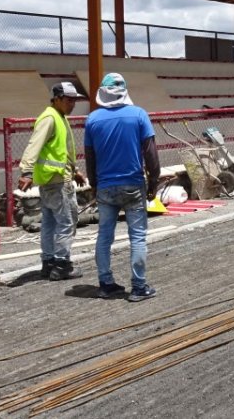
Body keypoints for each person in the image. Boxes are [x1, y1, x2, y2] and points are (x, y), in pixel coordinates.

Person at [84, 73, 161, 302]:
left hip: (105, 187)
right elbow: (151, 153)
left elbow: (90, 157)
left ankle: (106, 283)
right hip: (133, 185)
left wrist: (94, 184)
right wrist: (153, 182)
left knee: (104, 236)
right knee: (137, 237)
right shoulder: (138, 114)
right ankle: (138, 287)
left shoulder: (92, 120)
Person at [17, 82, 86, 280]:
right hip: (57, 181)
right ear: (57, 99)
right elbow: (34, 144)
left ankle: (48, 263)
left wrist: (75, 171)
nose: (72, 104)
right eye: (69, 100)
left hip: (50, 180)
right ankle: (62, 265)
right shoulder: (50, 118)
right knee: (66, 223)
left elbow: (63, 150)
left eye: (74, 100)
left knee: (49, 224)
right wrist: (27, 171)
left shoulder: (59, 117)